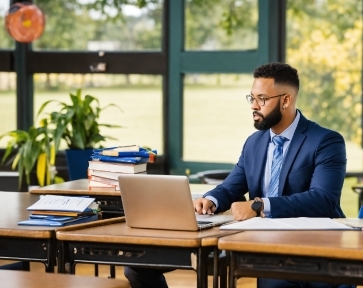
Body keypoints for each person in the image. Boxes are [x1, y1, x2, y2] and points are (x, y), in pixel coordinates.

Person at [124, 62, 350, 288]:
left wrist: (258, 206)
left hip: (307, 246)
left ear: (286, 100)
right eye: (251, 98)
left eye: (262, 99)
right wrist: (210, 200)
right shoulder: (254, 143)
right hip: (253, 240)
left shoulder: (325, 141)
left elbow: (323, 199)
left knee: (275, 282)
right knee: (137, 266)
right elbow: (231, 187)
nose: (253, 105)